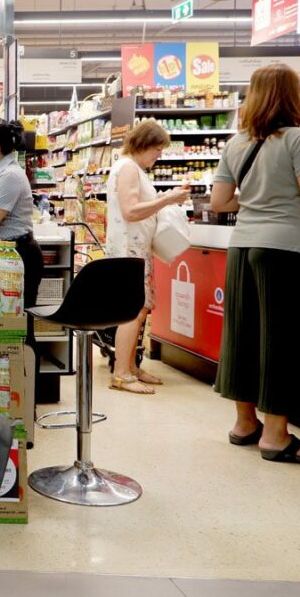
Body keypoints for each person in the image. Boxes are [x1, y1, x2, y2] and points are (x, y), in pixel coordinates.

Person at [210, 64, 300, 465]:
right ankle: (276, 435)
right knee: (282, 340)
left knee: (243, 337)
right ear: (293, 95)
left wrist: (257, 203)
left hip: (242, 248)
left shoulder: (237, 142)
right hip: (284, 249)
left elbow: (220, 202)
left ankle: (245, 423)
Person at [105, 121, 190, 395]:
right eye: (157, 148)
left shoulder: (132, 168)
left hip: (135, 248)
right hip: (129, 250)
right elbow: (130, 211)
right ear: (143, 144)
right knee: (131, 311)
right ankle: (121, 374)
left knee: (139, 310)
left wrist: (164, 199)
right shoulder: (128, 167)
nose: (159, 155)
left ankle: (131, 367)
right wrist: (167, 200)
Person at [0, 118, 44, 306]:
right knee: (2, 323)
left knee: (16, 323)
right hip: (0, 253)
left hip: (17, 255)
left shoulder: (9, 176)